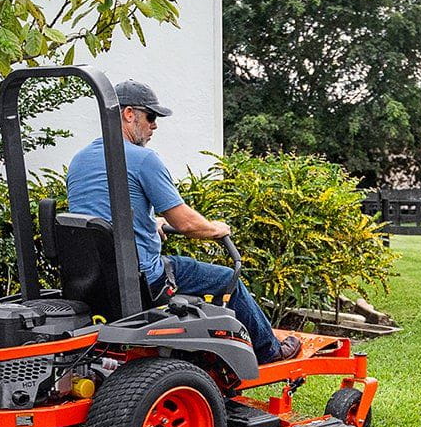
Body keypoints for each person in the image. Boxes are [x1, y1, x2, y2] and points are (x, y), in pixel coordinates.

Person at [66, 79, 301, 365]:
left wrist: (148, 222)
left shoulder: (79, 160)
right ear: (129, 114)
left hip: (97, 282)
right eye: (150, 116)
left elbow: (102, 214)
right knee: (227, 279)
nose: (154, 126)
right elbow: (186, 223)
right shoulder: (143, 159)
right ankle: (269, 351)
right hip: (142, 279)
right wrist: (217, 227)